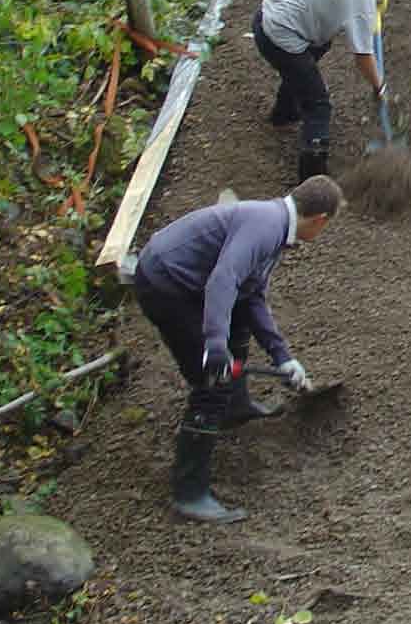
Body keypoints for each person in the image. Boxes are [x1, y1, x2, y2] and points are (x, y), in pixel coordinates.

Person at [133, 175, 342, 523]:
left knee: (240, 320)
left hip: (184, 278)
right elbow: (223, 279)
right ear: (320, 220)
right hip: (165, 282)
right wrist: (215, 345)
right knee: (212, 382)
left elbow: (250, 295)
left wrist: (283, 357)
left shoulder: (274, 225)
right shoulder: (266, 226)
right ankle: (189, 494)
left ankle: (236, 406)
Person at [252, 0, 407, 180]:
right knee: (318, 106)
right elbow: (363, 56)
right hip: (280, 38)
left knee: (313, 55)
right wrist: (379, 88)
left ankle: (284, 115)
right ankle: (313, 182)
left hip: (264, 16)